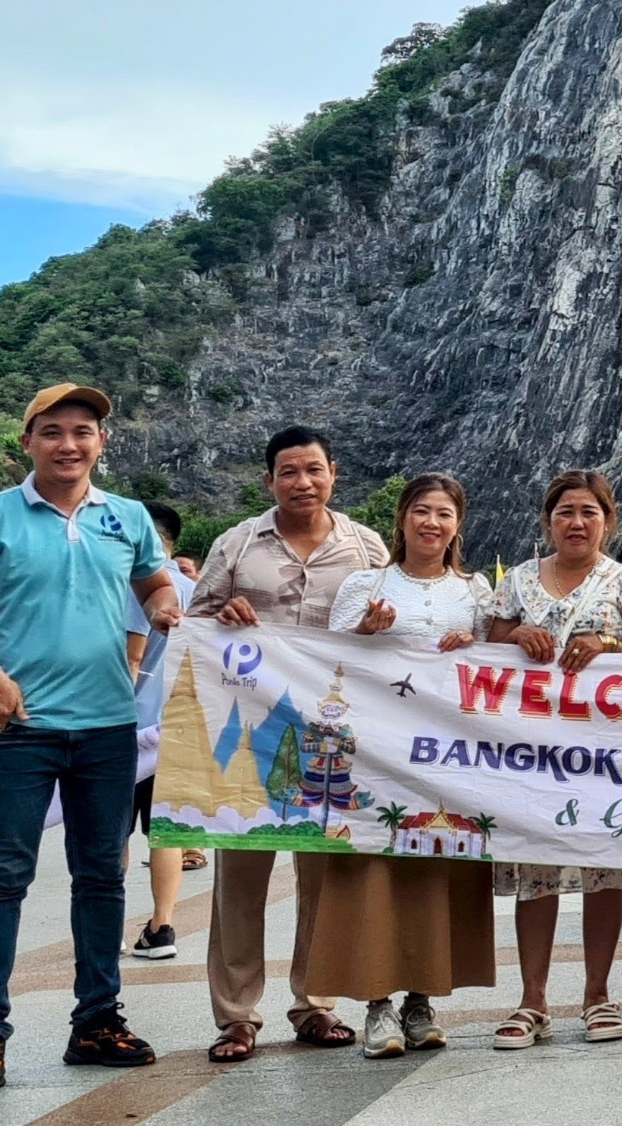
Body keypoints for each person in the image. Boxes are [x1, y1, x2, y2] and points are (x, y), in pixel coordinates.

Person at [0, 384, 181, 1093]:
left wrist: (162, 606)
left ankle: (96, 1021)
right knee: (2, 879)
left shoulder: (127, 517)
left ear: (102, 443)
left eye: (83, 431)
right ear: (27, 442)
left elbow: (156, 585)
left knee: (101, 878)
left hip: (108, 727)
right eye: (54, 431)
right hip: (19, 728)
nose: (70, 444)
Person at [188, 425, 387, 1062]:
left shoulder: (367, 548)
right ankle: (236, 1016)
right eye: (289, 472)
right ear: (269, 480)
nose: (303, 483)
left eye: (314, 470)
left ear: (334, 473)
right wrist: (223, 615)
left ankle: (315, 1004)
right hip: (249, 731)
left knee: (323, 875)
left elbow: (394, 636)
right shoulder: (237, 544)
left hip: (334, 735)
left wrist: (378, 628)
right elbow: (195, 625)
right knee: (239, 877)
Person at [317, 474, 498, 1058]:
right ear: (402, 518)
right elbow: (324, 662)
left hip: (447, 757)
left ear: (458, 524)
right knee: (375, 870)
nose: (431, 523)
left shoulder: (476, 593)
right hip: (376, 754)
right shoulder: (365, 584)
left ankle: (421, 999)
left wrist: (475, 645)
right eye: (421, 511)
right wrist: (363, 633)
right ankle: (377, 1004)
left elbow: (496, 668)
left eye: (444, 513)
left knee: (434, 869)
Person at [482, 471, 622, 1049]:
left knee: (603, 870)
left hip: (604, 750)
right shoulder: (518, 582)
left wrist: (608, 645)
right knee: (537, 872)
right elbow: (490, 647)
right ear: (547, 520)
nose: (576, 523)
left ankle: (597, 994)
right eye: (565, 512)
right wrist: (520, 636)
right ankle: (532, 1000)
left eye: (589, 512)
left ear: (608, 521)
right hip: (531, 750)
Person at [124, 501, 199, 962]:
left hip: (131, 729)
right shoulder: (196, 589)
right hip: (179, 729)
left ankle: (106, 925)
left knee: (113, 832)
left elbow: (132, 659)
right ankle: (162, 926)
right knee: (165, 832)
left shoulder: (140, 585)